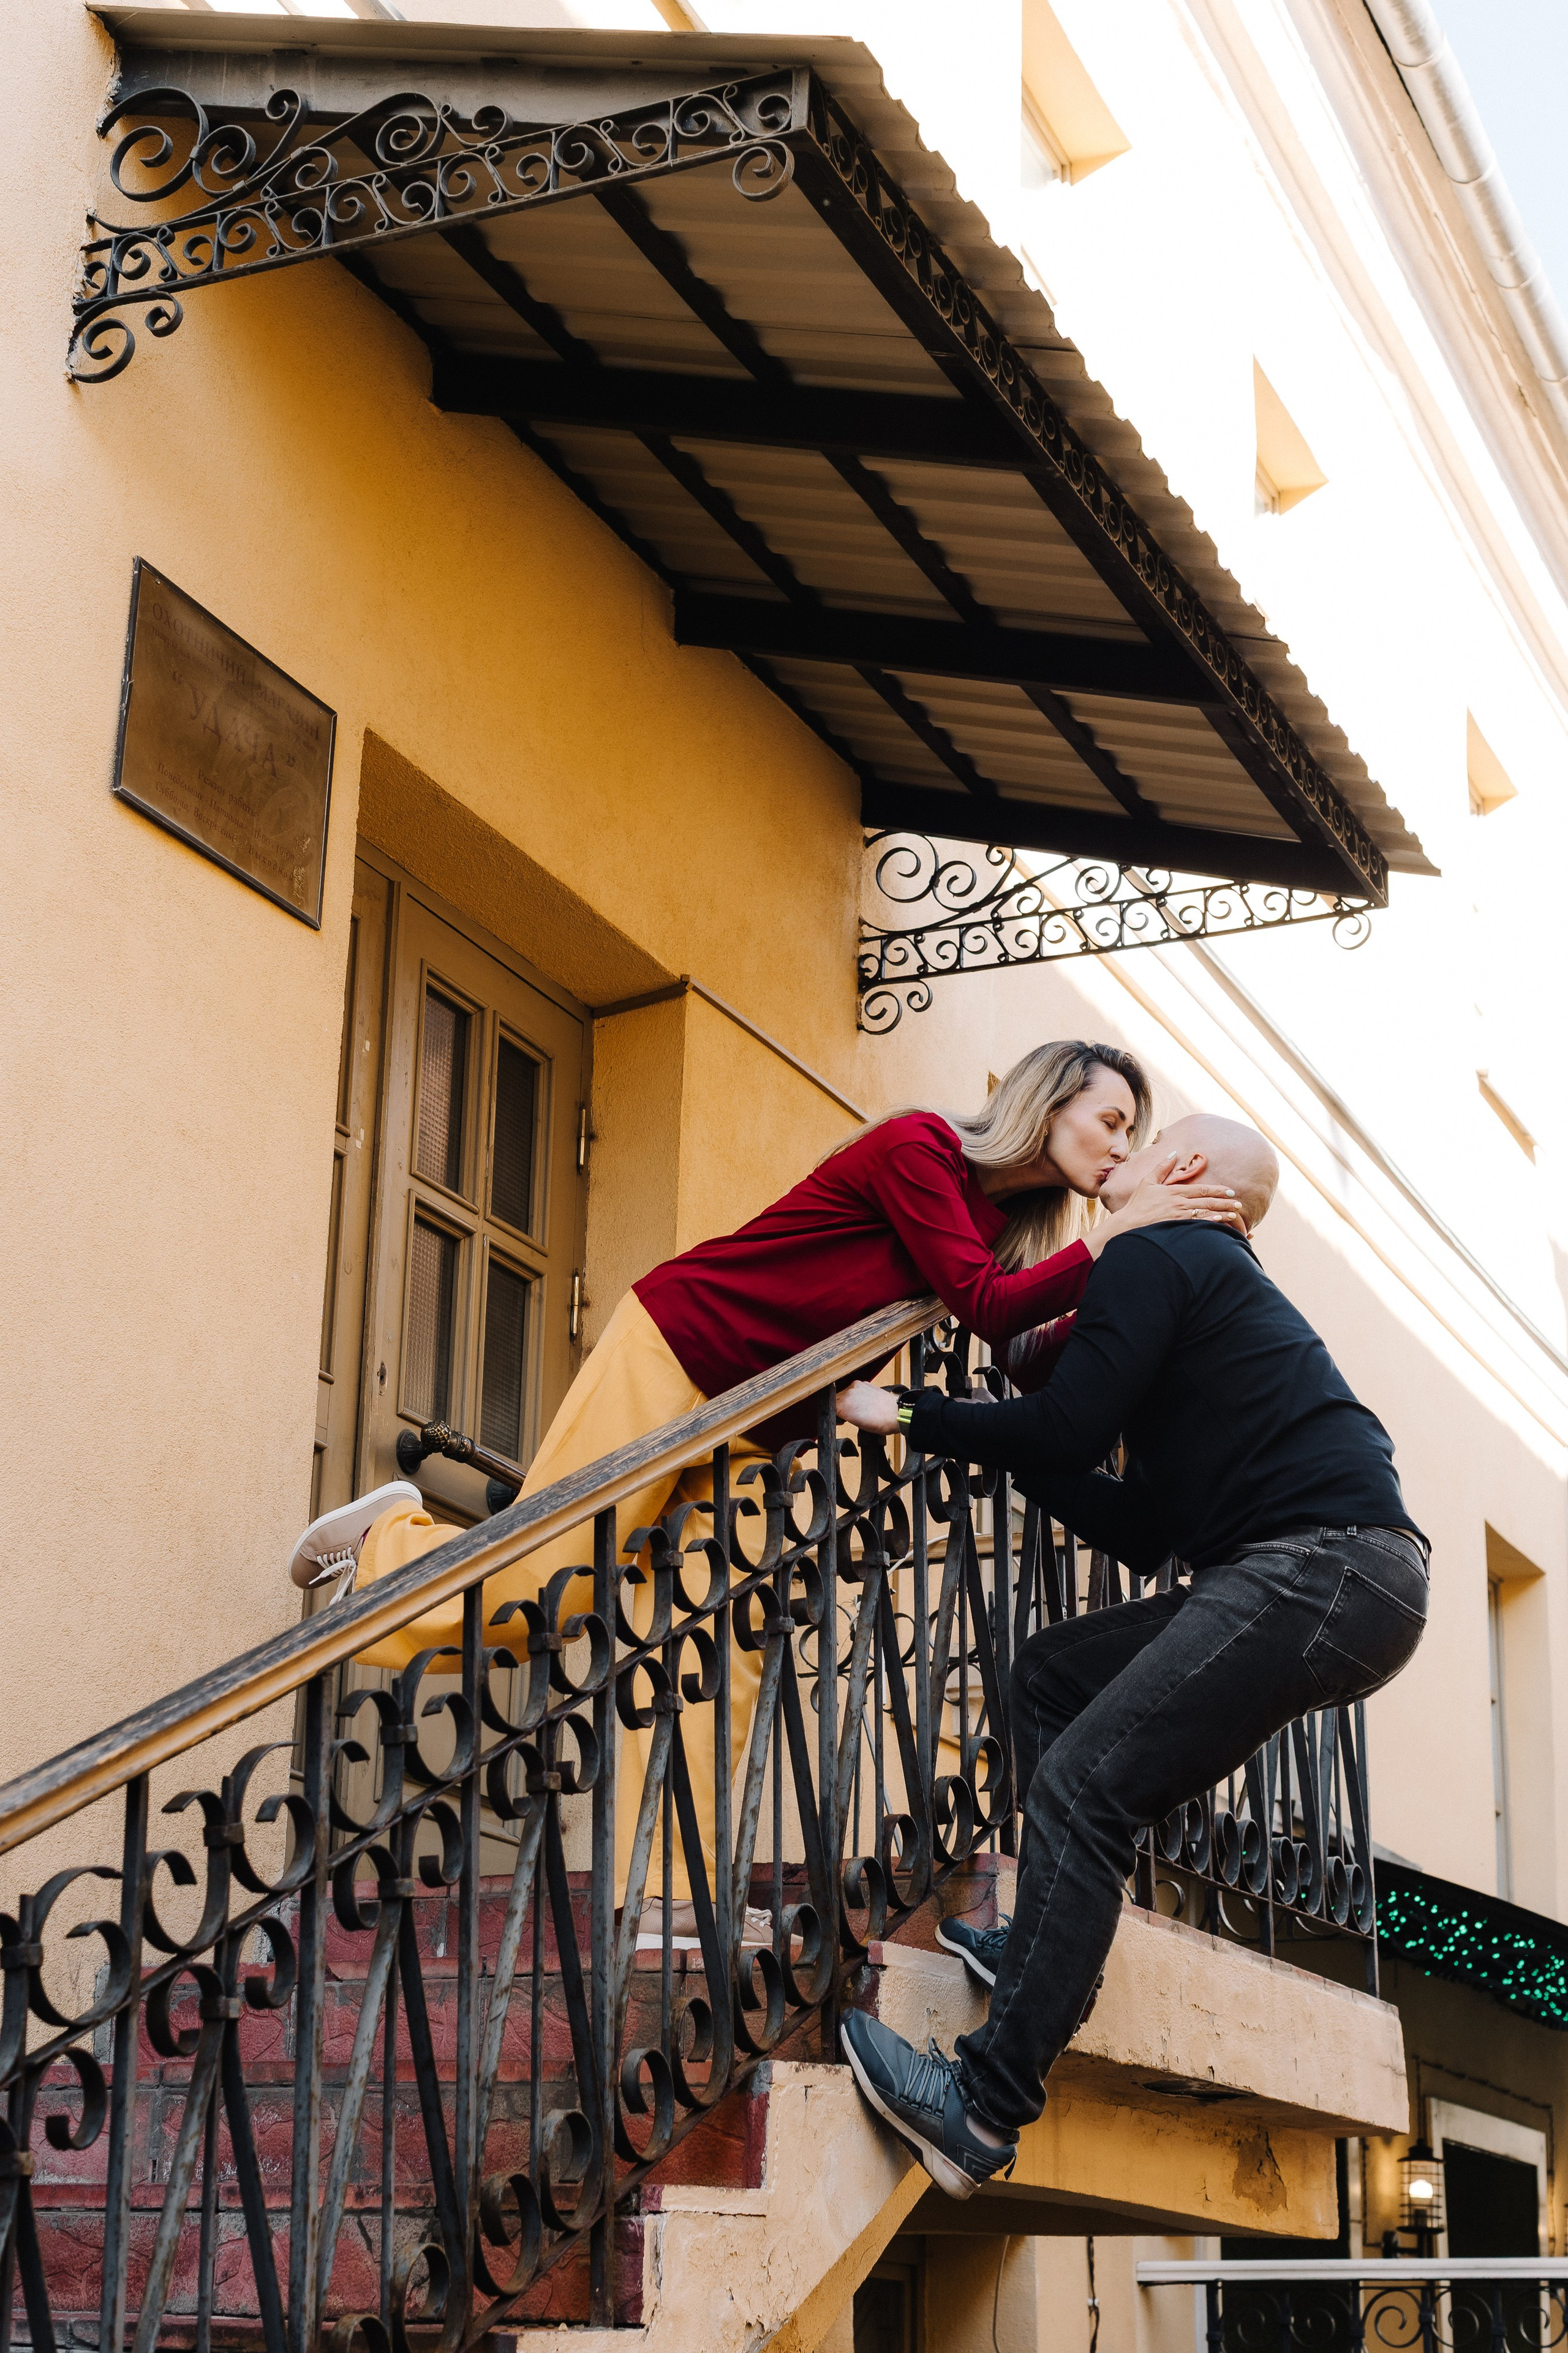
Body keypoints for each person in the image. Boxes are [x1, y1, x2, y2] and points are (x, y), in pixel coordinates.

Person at [288, 1044, 1243, 1938]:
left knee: (722, 1646)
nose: (1122, 1145)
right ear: (1048, 1098)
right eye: (1113, 1119)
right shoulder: (921, 1149)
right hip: (683, 1346)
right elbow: (983, 1305)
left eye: (1134, 1133)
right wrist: (1126, 1233)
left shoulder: (1001, 1228)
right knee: (554, 1584)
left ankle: (670, 1896)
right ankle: (386, 1541)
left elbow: (1027, 1351)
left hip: (759, 1421)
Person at [834, 1112, 1429, 2200]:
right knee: (1054, 1676)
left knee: (1083, 1786)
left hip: (1318, 1567)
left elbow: (1064, 1427)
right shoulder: (1201, 1287)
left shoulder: (1157, 1250)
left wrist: (914, 1411)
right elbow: (1139, 1528)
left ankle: (978, 2109)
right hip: (1343, 1579)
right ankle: (1043, 1950)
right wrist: (1009, 1428)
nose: (1121, 1152)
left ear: (1186, 1169)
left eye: (1141, 1138)